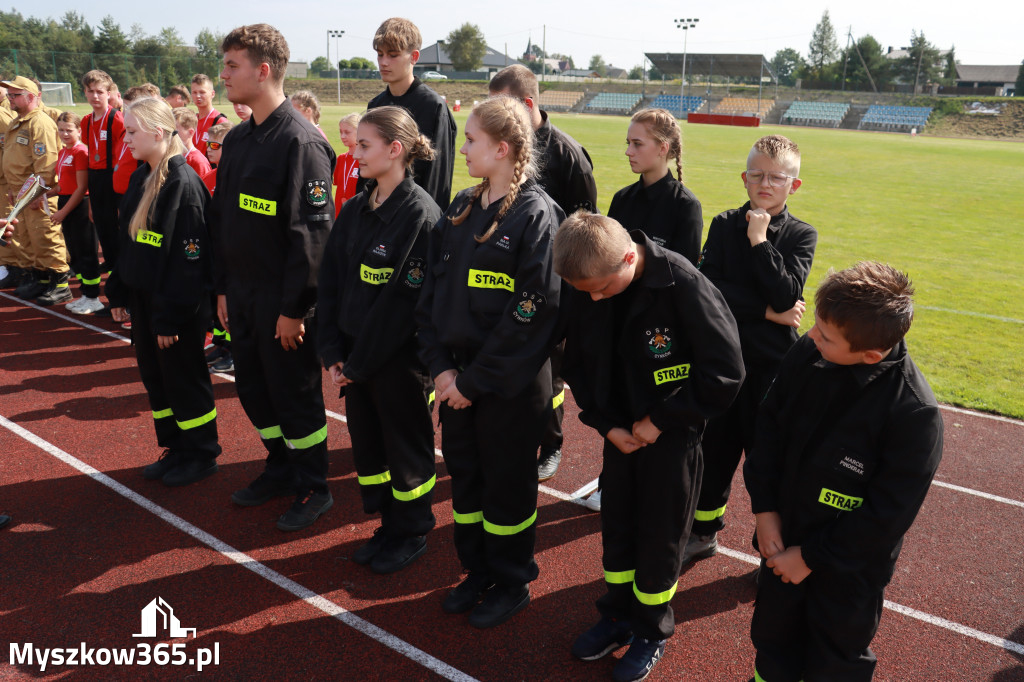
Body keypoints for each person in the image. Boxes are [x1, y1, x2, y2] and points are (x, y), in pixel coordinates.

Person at [557, 212, 744, 682]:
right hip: (620, 437)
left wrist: (661, 421)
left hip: (671, 440)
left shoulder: (683, 284)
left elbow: (725, 373)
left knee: (660, 539)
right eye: (586, 293)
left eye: (601, 287)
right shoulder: (589, 283)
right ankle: (617, 616)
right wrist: (605, 425)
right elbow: (574, 363)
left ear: (627, 257)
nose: (594, 298)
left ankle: (652, 630)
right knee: (618, 528)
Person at [743, 261, 943, 682]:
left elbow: (886, 517)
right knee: (773, 641)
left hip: (848, 572)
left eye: (826, 337)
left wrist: (812, 557)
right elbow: (769, 427)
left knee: (834, 659)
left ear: (871, 355)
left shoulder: (913, 415)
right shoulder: (807, 352)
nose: (810, 336)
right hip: (784, 542)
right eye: (816, 326)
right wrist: (764, 511)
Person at [416, 95, 563, 628]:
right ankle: (476, 570)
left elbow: (533, 314)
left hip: (505, 385)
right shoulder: (458, 208)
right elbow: (429, 299)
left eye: (472, 139)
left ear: (502, 149)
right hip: (455, 380)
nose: (465, 147)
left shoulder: (537, 216)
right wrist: (442, 369)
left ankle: (510, 579)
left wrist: (473, 381)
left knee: (507, 487)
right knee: (468, 482)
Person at [210, 23, 337, 531]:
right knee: (254, 392)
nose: (224, 75)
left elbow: (313, 237)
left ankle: (314, 485)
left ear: (263, 72)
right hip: (239, 295)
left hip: (282, 303)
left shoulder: (302, 142)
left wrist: (293, 309)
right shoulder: (239, 139)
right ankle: (280, 466)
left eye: (232, 66)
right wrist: (221, 287)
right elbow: (222, 219)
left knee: (295, 395)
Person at [318, 106, 440, 574]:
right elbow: (331, 281)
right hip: (355, 361)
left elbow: (400, 308)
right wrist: (332, 351)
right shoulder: (356, 207)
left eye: (364, 145)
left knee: (404, 449)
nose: (354, 151)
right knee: (370, 447)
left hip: (395, 364)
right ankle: (389, 523)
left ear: (395, 150)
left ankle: (411, 529)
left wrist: (358, 364)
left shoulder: (420, 217)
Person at [685, 135, 817, 565]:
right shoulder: (724, 225)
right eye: (757, 174)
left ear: (792, 185)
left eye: (777, 177)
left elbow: (787, 296)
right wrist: (766, 310)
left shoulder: (800, 235)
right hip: (725, 360)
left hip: (773, 370)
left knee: (770, 462)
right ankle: (703, 531)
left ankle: (770, 550)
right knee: (716, 450)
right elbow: (708, 290)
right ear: (744, 177)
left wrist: (760, 241)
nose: (765, 183)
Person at [488, 63, 599, 483]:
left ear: (528, 104)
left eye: (504, 105)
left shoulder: (568, 155)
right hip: (506, 277)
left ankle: (550, 445)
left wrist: (572, 290)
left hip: (554, 284)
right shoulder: (503, 146)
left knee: (548, 372)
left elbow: (586, 224)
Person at [106, 97, 221, 487]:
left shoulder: (183, 185)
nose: (127, 141)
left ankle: (201, 453)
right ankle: (177, 447)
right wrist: (118, 291)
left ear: (159, 133)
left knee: (184, 380)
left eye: (133, 133)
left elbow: (189, 262)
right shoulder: (142, 177)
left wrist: (170, 316)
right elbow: (129, 242)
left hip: (174, 307)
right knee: (157, 379)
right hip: (145, 301)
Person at [364, 17, 456, 210]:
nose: (384, 62)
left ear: (414, 57)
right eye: (380, 54)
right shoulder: (376, 105)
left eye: (393, 55)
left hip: (414, 218)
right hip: (378, 215)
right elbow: (367, 168)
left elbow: (438, 178)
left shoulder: (434, 107)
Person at [0, 76, 72, 306]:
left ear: (31, 97)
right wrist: (14, 190)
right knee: (30, 239)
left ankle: (60, 284)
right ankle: (41, 280)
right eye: (9, 95)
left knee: (46, 237)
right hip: (20, 193)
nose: (10, 99)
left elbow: (46, 164)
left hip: (35, 195)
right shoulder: (18, 121)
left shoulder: (39, 123)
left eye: (15, 95)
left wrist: (35, 193)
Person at [609, 108, 702, 264]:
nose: (628, 151)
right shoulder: (621, 199)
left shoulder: (686, 206)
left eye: (637, 144)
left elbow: (686, 274)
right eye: (628, 143)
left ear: (663, 148)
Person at [49, 111, 104, 314]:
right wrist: (42, 194)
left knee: (87, 252)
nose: (64, 134)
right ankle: (85, 294)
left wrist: (62, 212)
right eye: (61, 130)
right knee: (75, 254)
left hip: (80, 205)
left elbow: (81, 188)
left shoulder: (81, 152)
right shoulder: (64, 152)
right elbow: (62, 185)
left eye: (69, 130)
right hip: (67, 203)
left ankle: (93, 297)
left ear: (79, 130)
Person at [81, 70, 124, 282]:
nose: (95, 96)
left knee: (117, 234)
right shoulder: (86, 121)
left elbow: (126, 157)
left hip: (114, 180)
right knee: (104, 233)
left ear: (109, 93)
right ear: (85, 93)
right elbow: (90, 153)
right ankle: (113, 276)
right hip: (95, 179)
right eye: (91, 91)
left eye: (100, 91)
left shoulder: (117, 119)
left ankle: (122, 285)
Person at [200, 121, 235, 374]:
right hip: (212, 254)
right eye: (207, 144)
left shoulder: (238, 178)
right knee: (215, 302)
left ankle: (234, 351)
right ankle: (221, 343)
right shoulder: (208, 178)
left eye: (215, 145)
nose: (209, 150)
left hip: (232, 255)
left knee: (231, 304)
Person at [190, 74, 227, 158]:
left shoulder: (220, 122)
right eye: (194, 92)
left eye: (202, 92)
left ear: (212, 94)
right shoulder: (191, 120)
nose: (198, 96)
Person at [172, 107, 213, 177]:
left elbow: (203, 186)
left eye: (174, 132)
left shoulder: (199, 162)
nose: (170, 135)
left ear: (190, 132)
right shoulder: (170, 154)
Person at [333, 112, 360, 217]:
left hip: (356, 215)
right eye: (341, 132)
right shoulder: (340, 159)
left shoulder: (364, 160)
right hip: (339, 215)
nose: (342, 136)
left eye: (347, 132)